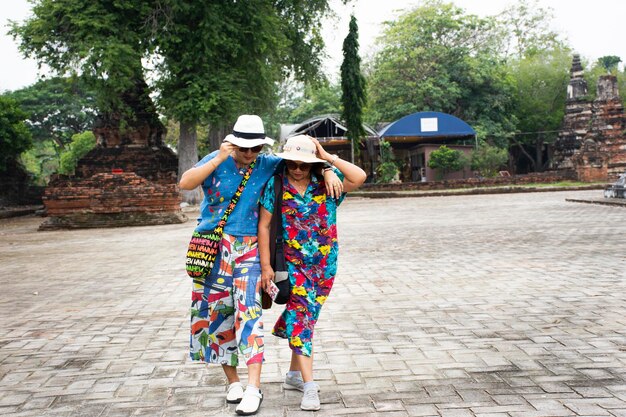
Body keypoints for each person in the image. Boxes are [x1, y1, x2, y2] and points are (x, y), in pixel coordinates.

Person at [179, 115, 342, 416]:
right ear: (234, 143)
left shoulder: (267, 164)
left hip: (250, 249)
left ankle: (254, 387)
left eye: (255, 148)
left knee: (249, 313)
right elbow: (185, 183)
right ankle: (233, 382)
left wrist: (330, 168)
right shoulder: (217, 158)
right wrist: (220, 157)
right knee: (217, 314)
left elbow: (302, 164)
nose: (250, 154)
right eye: (244, 148)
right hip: (213, 248)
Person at [257, 134, 366, 411]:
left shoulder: (327, 182)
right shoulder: (277, 184)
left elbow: (360, 176)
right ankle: (308, 386)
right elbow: (265, 226)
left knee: (306, 318)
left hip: (325, 265)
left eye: (303, 165)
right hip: (293, 266)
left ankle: (293, 374)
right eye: (293, 163)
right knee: (303, 319)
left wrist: (328, 159)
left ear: (312, 164)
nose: (297, 169)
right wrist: (266, 266)